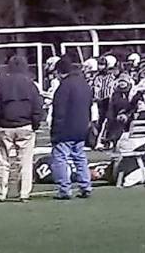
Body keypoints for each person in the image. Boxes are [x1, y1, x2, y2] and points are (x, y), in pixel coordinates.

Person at [0, 55, 43, 202]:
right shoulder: (31, 84)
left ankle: (0, 193)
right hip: (25, 126)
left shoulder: (0, 84)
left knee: (1, 161)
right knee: (25, 161)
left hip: (3, 126)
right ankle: (24, 192)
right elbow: (37, 106)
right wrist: (35, 124)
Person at [50, 56, 93, 200]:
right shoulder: (84, 84)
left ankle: (64, 189)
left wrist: (55, 131)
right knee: (80, 157)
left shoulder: (64, 87)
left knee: (60, 158)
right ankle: (85, 185)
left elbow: (59, 110)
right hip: (81, 127)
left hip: (65, 128)